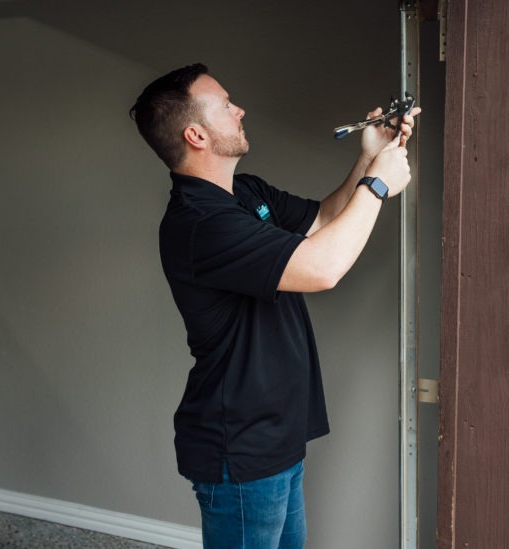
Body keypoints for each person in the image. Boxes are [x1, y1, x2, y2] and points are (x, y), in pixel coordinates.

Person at [130, 63, 419, 549]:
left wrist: (370, 159)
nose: (239, 109)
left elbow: (323, 219)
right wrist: (378, 186)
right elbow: (322, 267)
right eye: (225, 104)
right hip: (239, 445)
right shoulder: (199, 223)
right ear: (196, 134)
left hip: (276, 434)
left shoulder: (245, 193)